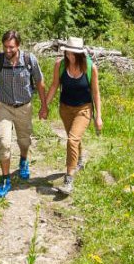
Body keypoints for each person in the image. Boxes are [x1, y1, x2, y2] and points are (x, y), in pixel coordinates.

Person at [0, 30, 49, 197]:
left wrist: (44, 105)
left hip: (24, 107)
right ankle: (5, 179)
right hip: (3, 106)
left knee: (24, 140)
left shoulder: (29, 60)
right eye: (5, 47)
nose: (7, 51)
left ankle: (24, 160)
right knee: (4, 142)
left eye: (11, 47)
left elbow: (40, 82)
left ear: (18, 46)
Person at [42, 37, 101, 195]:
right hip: (65, 108)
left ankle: (69, 180)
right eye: (68, 52)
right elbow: (55, 85)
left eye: (74, 53)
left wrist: (98, 116)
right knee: (73, 137)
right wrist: (45, 106)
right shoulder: (60, 65)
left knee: (72, 139)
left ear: (80, 53)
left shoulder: (90, 68)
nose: (70, 55)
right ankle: (80, 160)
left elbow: (96, 92)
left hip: (84, 109)